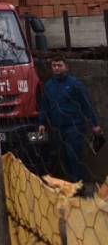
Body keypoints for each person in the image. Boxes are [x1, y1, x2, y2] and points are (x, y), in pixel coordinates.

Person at [38, 55, 103, 184]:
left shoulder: (75, 84)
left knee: (74, 156)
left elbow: (86, 104)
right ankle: (69, 185)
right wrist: (42, 123)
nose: (57, 68)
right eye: (54, 66)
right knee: (62, 157)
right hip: (57, 128)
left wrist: (95, 124)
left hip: (74, 127)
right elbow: (44, 106)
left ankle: (78, 185)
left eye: (59, 65)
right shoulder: (49, 85)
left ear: (66, 67)